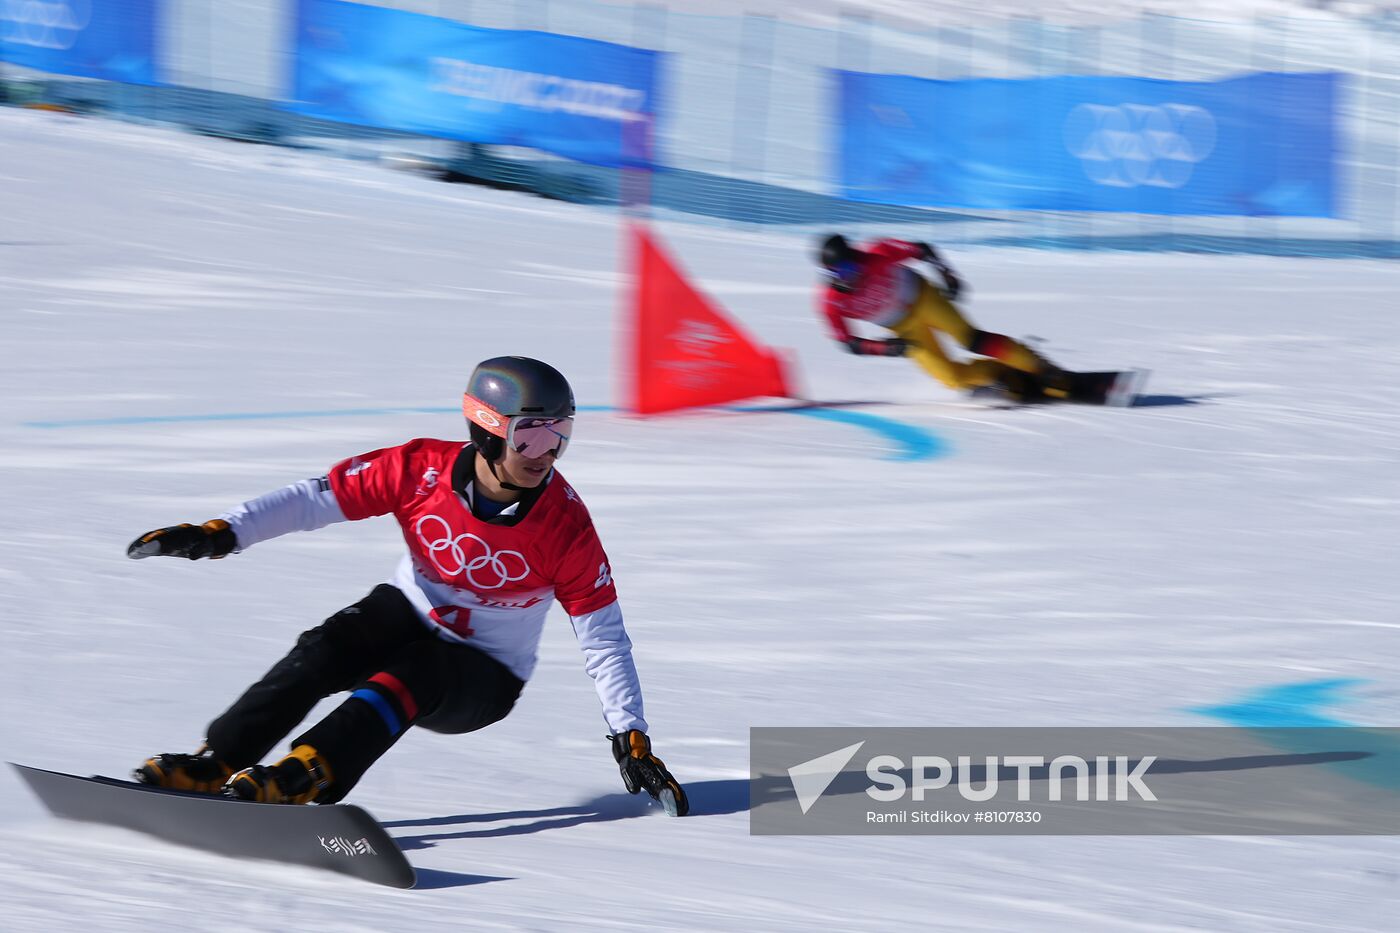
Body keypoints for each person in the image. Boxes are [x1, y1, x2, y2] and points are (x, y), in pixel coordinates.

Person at [127, 356, 688, 816]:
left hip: (486, 674)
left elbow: (603, 639)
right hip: (405, 613)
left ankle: (309, 775)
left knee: (420, 668)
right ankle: (216, 762)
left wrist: (629, 733)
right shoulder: (420, 470)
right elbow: (317, 498)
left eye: (560, 436)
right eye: (531, 436)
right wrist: (227, 531)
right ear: (487, 431)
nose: (547, 455)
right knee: (324, 649)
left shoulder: (565, 527)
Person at [816, 234, 1069, 402]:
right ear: (829, 275)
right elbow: (848, 343)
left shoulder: (876, 253)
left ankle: (1040, 367)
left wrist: (949, 276)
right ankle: (1001, 375)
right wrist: (885, 348)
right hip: (905, 329)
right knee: (952, 379)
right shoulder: (830, 302)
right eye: (840, 273)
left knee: (972, 340)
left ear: (857, 258)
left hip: (926, 299)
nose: (849, 277)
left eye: (852, 268)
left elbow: (922, 250)